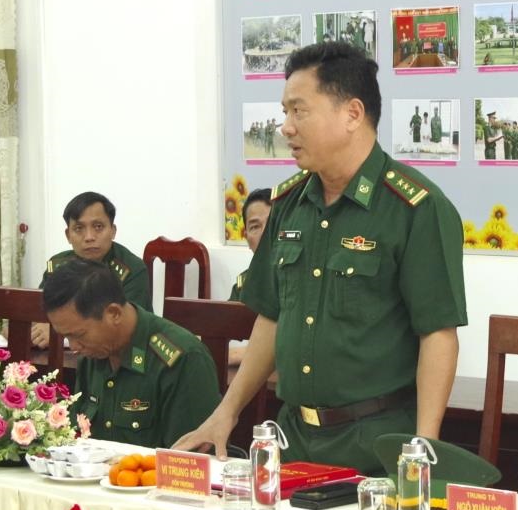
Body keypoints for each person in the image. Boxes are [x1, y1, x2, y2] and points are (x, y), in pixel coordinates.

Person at [173, 42, 467, 475]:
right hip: (293, 438)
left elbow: (437, 335)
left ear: (352, 113)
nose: (286, 127)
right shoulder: (288, 204)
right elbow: (272, 317)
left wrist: (422, 450)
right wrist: (226, 412)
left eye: (299, 111)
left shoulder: (416, 209)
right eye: (285, 112)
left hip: (375, 443)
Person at [44, 260, 221, 449]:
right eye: (66, 337)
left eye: (78, 335)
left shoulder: (182, 359)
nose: (73, 347)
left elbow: (189, 461)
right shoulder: (93, 354)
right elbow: (76, 438)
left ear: (114, 313)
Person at [32, 192, 150, 349]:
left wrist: (56, 332)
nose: (89, 237)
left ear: (113, 230)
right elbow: (40, 313)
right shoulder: (56, 265)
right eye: (79, 228)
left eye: (98, 227)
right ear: (68, 235)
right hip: (67, 350)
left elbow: (125, 326)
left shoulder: (133, 269)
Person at [229, 188, 272, 302]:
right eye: (255, 227)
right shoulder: (242, 289)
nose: (265, 232)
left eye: (272, 222)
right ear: (247, 238)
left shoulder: (305, 279)